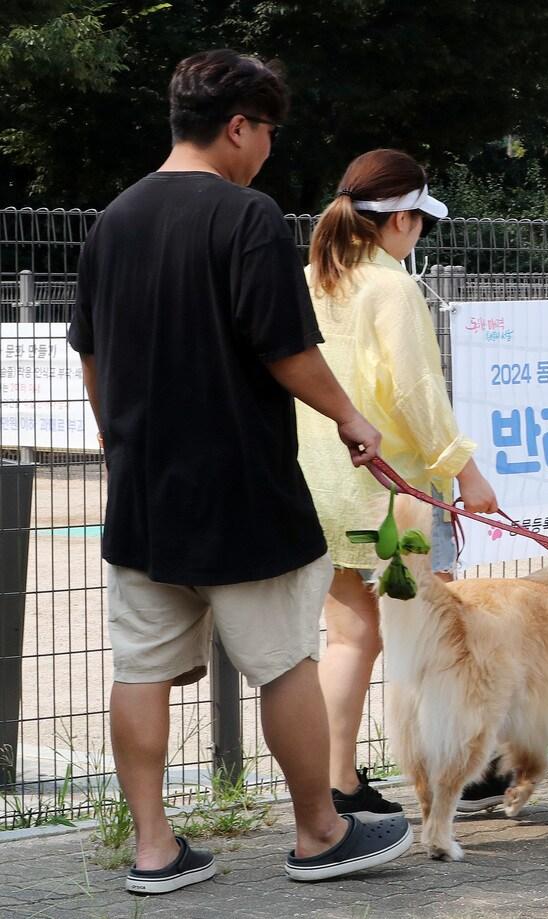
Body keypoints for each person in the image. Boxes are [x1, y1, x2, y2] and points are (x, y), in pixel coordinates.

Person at [68, 50, 411, 894]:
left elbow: (91, 354)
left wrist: (119, 446)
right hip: (243, 491)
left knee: (140, 668)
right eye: (267, 132)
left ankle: (154, 850)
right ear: (236, 127)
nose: (268, 149)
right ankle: (320, 832)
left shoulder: (114, 219)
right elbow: (284, 347)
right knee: (285, 662)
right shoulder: (247, 216)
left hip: (143, 497)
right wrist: (351, 418)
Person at [296, 149, 508, 817]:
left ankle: (338, 784)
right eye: (421, 221)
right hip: (396, 498)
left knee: (349, 637)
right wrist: (466, 472)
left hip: (323, 484)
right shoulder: (392, 288)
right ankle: (460, 773)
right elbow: (418, 394)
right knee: (433, 634)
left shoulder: (313, 278)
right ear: (401, 220)